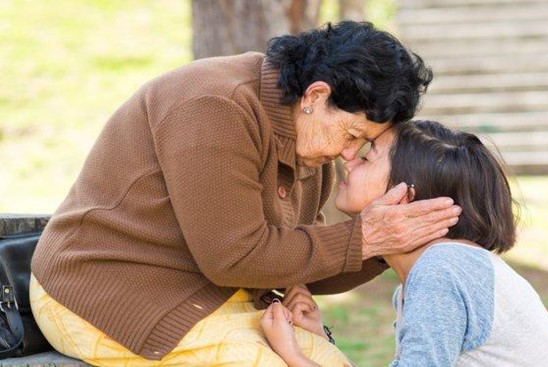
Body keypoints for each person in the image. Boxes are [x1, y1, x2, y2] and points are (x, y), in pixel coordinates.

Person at [29, 21, 461, 366]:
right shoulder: (216, 107)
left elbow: (301, 260)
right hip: (111, 295)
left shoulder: (308, 142)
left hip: (210, 294)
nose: (349, 155)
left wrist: (390, 242)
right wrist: (366, 237)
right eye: (350, 135)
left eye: (362, 143)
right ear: (316, 95)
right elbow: (232, 256)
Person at [261, 120, 548, 367]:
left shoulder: (441, 270)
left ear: (405, 197)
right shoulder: (437, 271)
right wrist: (319, 339)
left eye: (368, 157)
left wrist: (294, 356)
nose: (350, 161)